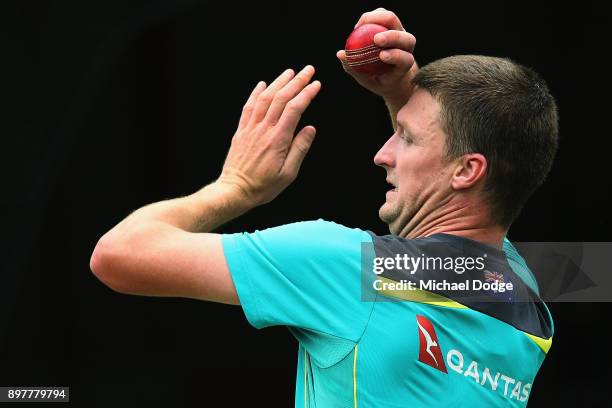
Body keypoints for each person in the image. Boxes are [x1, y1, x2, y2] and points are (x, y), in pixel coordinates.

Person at [90, 8, 557, 407]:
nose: (382, 154)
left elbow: (118, 255)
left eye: (408, 138)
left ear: (466, 171)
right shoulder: (534, 298)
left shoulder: (343, 268)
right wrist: (402, 95)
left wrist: (237, 186)